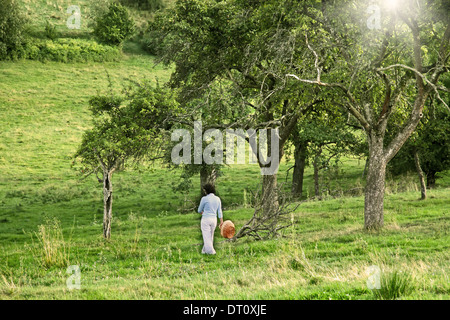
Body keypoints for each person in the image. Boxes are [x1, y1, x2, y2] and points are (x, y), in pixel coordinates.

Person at [197, 183, 223, 255]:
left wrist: (203, 212)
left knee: (206, 236)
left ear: (206, 191)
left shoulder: (204, 199)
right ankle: (204, 251)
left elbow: (199, 210)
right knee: (210, 236)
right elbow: (219, 211)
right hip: (214, 219)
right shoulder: (217, 199)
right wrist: (221, 221)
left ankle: (211, 252)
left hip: (206, 219)